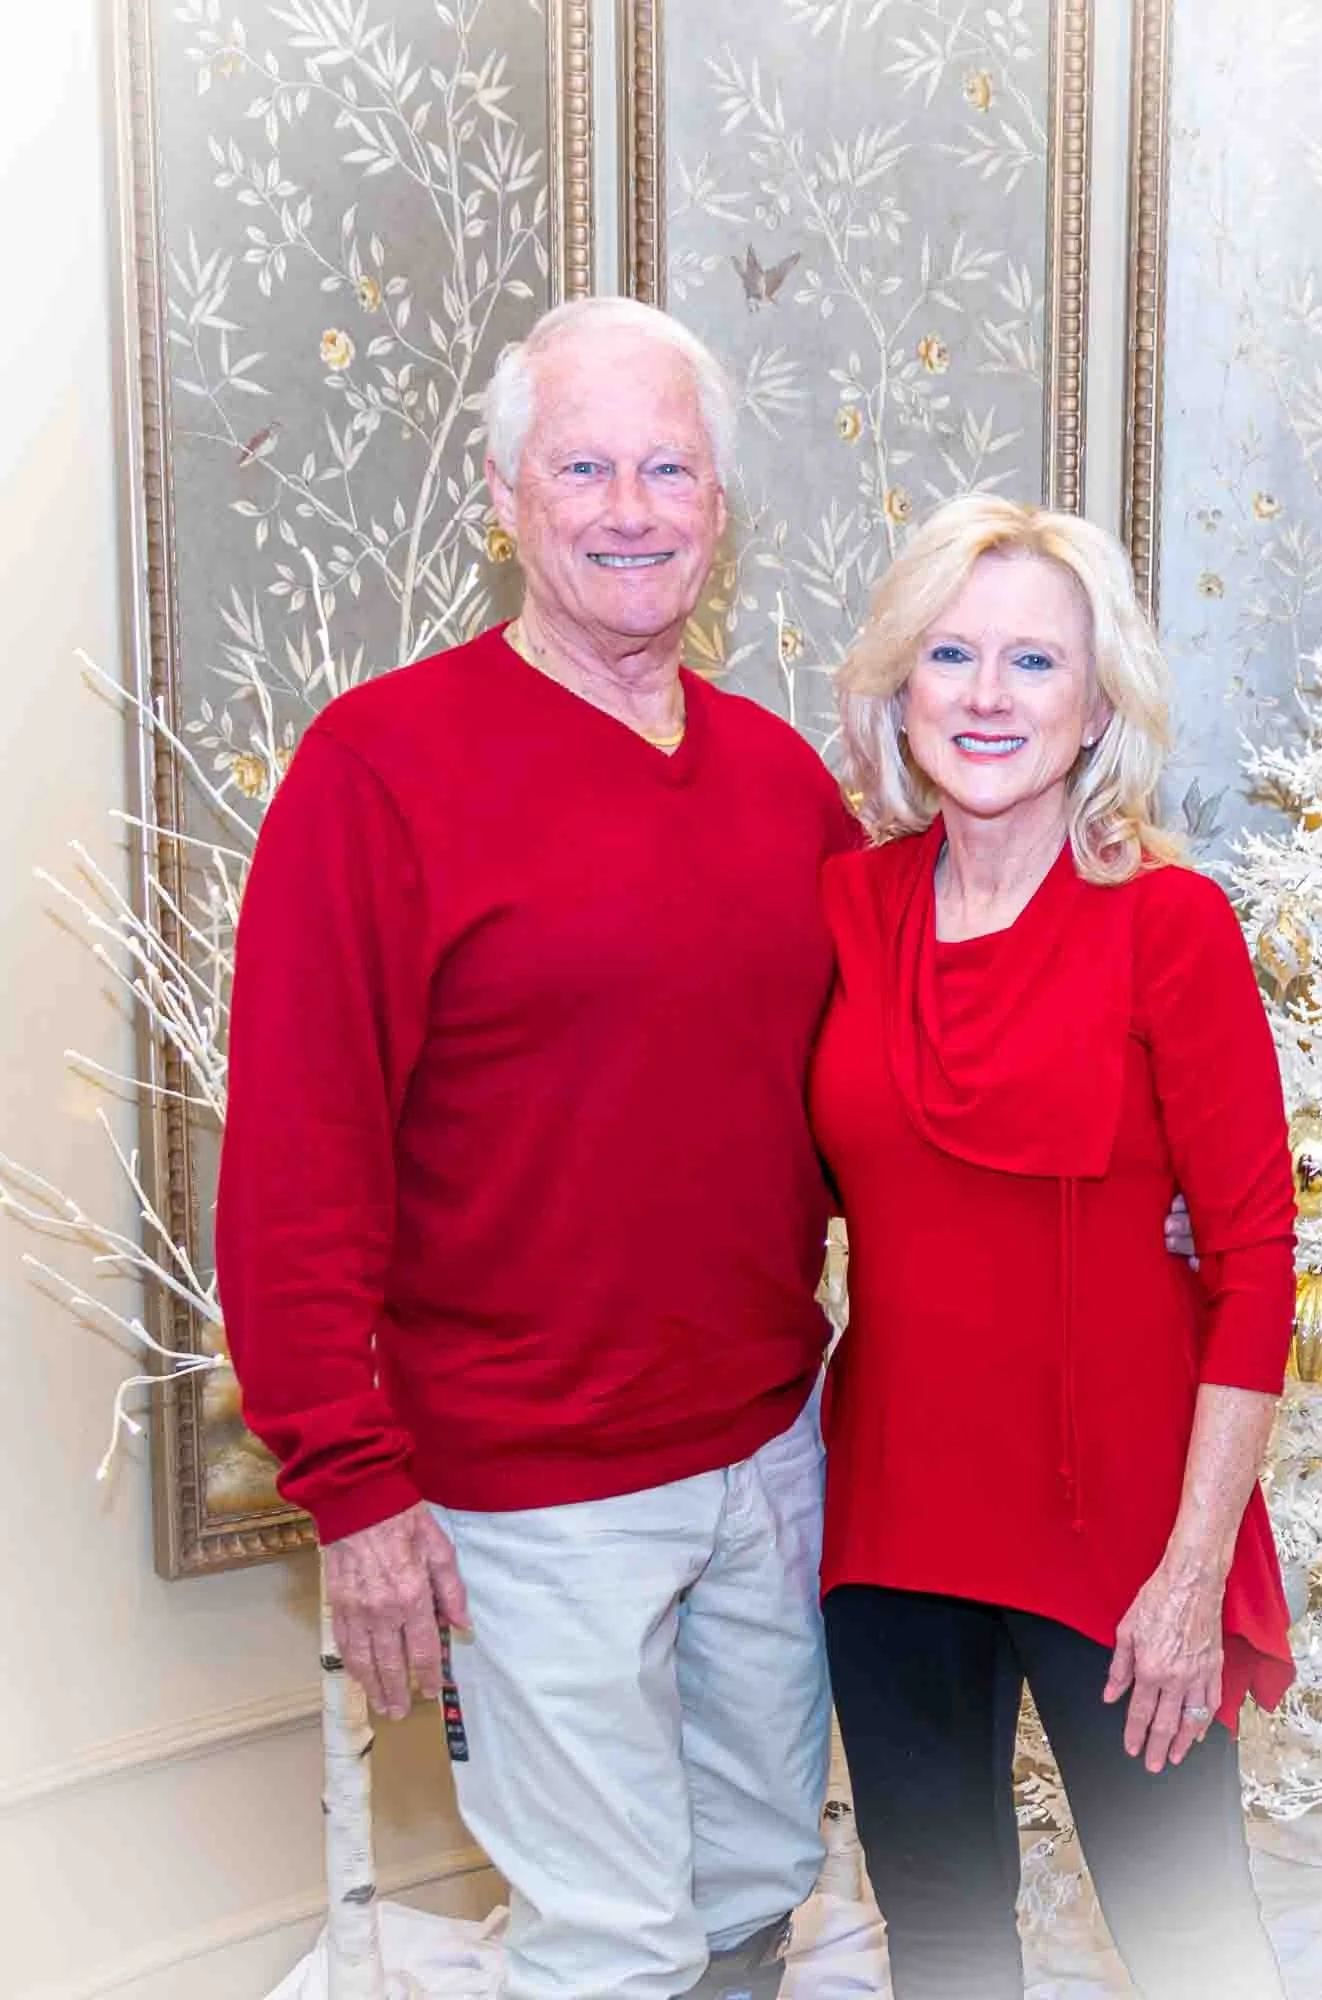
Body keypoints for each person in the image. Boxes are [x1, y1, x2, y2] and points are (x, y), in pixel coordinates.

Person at [218, 296, 856, 2000]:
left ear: (719, 506)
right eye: (583, 465)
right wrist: (353, 1489)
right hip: (527, 1489)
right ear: (506, 497)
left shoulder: (785, 782)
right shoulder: (377, 770)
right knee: (607, 1944)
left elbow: (882, 1096)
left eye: (668, 467)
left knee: (756, 1877)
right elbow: (294, 1166)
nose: (629, 507)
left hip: (769, 1450)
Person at [809, 495, 1296, 2000]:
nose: (986, 695)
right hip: (894, 1526)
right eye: (951, 654)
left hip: (1128, 1545)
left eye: (1034, 661)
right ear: (900, 689)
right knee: (945, 1948)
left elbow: (1257, 1264)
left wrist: (1193, 1568)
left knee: (1194, 1944)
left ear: (1097, 708)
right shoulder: (848, 907)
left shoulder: (1171, 924)